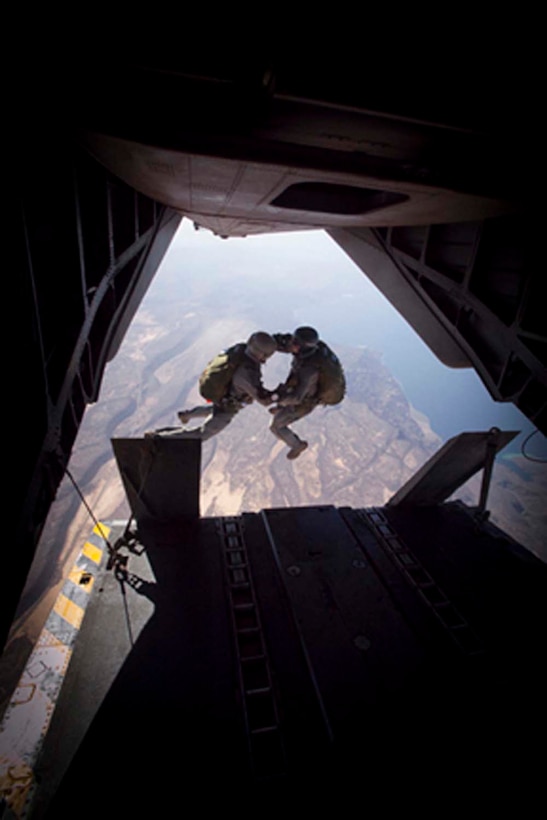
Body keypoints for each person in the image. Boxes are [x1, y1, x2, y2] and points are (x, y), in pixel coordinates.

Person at [144, 332, 277, 440]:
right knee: (201, 435)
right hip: (228, 405)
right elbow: (264, 400)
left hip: (223, 395)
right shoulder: (247, 373)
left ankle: (186, 415)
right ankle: (158, 438)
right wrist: (281, 395)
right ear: (262, 354)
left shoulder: (241, 351)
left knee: (213, 410)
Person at [269, 326, 344, 460]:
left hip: (304, 402)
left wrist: (275, 398)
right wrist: (264, 343)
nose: (292, 344)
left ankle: (297, 445)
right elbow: (285, 343)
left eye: (295, 343)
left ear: (303, 348)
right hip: (299, 388)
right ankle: (281, 407)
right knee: (287, 392)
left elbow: (297, 398)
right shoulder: (309, 349)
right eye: (293, 340)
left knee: (276, 426)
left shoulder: (309, 370)